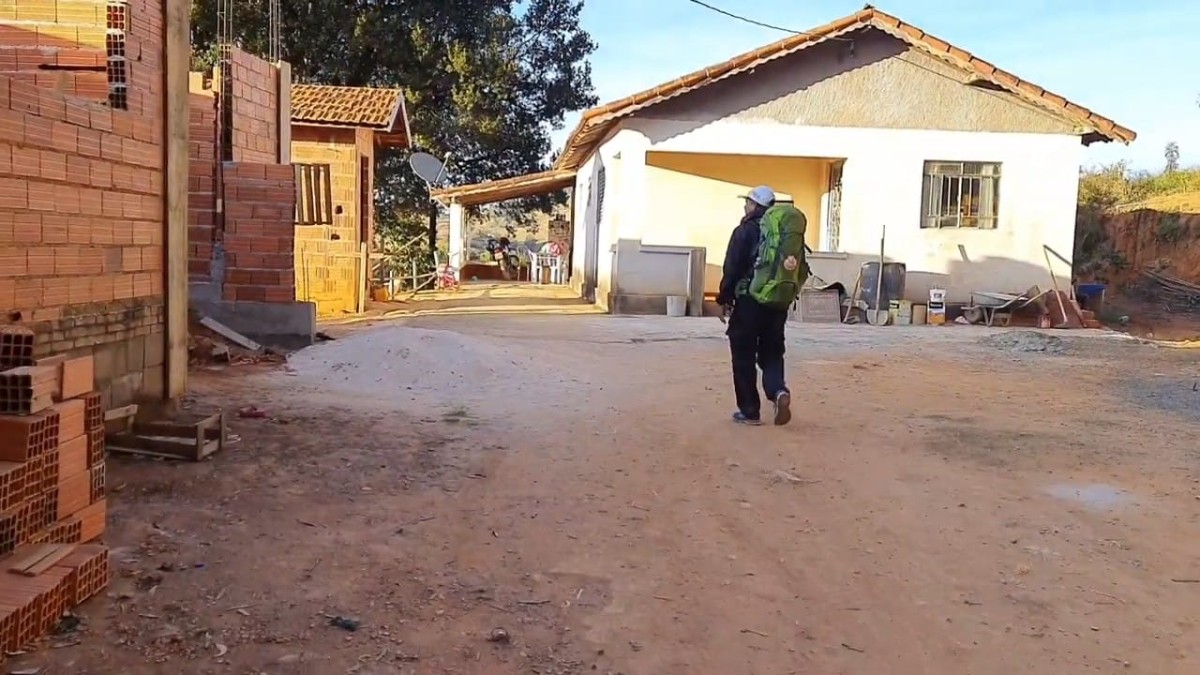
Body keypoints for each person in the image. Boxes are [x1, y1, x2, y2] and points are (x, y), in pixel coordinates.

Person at [717, 185, 792, 426]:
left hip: (748, 302)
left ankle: (750, 411)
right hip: (776, 303)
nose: (745, 206)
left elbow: (732, 267)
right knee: (772, 352)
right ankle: (778, 390)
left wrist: (725, 298)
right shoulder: (782, 233)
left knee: (743, 355)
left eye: (748, 202)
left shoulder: (745, 230)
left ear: (754, 205)